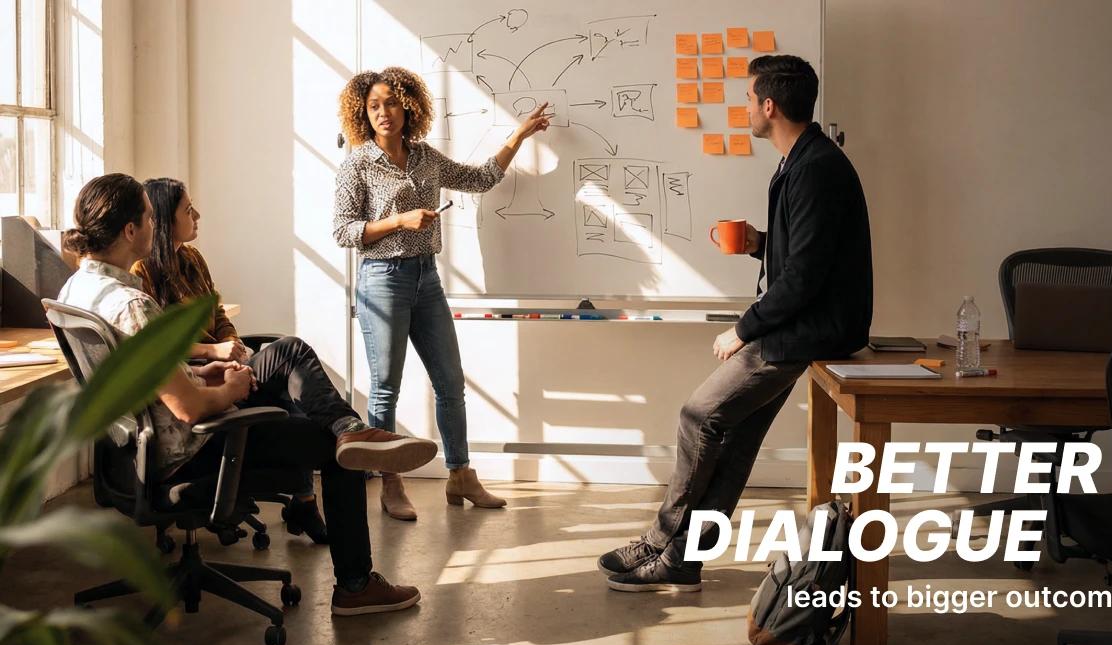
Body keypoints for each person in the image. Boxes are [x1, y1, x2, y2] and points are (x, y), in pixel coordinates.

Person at [59, 173, 436, 615]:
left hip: (131, 454)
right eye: (147, 216)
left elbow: (155, 382)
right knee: (333, 449)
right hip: (187, 451)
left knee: (287, 361)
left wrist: (207, 369)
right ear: (130, 231)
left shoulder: (76, 290)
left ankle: (349, 433)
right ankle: (354, 583)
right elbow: (188, 408)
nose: (153, 223)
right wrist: (232, 385)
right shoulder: (130, 303)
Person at [598, 55, 873, 592]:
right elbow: (807, 259)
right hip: (805, 320)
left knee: (698, 416)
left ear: (769, 106)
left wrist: (744, 328)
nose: (745, 107)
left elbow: (805, 280)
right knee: (736, 435)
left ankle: (660, 541)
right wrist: (759, 245)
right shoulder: (801, 160)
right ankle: (683, 559)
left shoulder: (814, 168)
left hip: (809, 328)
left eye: (749, 98)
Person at [333, 66, 551, 520]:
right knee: (384, 390)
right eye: (373, 106)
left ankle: (461, 476)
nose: (383, 113)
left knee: (451, 383)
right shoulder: (356, 163)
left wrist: (519, 136)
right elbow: (343, 231)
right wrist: (399, 220)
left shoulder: (425, 157)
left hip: (426, 279)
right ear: (363, 113)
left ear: (407, 104)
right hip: (382, 279)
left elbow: (481, 179)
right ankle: (390, 485)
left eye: (390, 102)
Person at [131, 177, 336, 544]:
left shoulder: (191, 258)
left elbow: (219, 312)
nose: (197, 215)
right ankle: (329, 459)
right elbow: (157, 347)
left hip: (219, 365)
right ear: (164, 219)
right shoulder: (141, 274)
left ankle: (312, 482)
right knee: (288, 357)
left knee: (286, 379)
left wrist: (233, 345)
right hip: (197, 378)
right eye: (187, 209)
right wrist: (214, 353)